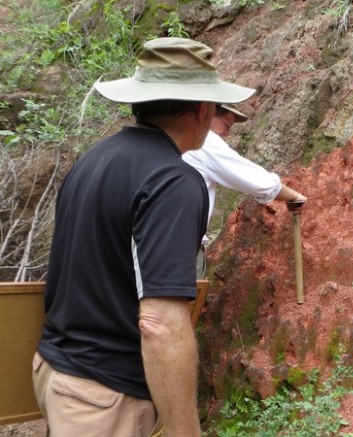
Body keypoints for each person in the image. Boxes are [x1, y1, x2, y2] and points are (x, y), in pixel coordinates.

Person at [32, 37, 254, 437]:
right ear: (203, 109)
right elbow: (160, 324)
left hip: (55, 372)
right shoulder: (174, 181)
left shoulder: (94, 160)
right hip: (104, 396)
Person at [182, 104, 307, 275]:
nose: (227, 133)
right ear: (207, 113)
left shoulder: (176, 137)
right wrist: (293, 195)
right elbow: (258, 182)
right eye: (226, 125)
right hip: (178, 248)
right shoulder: (203, 141)